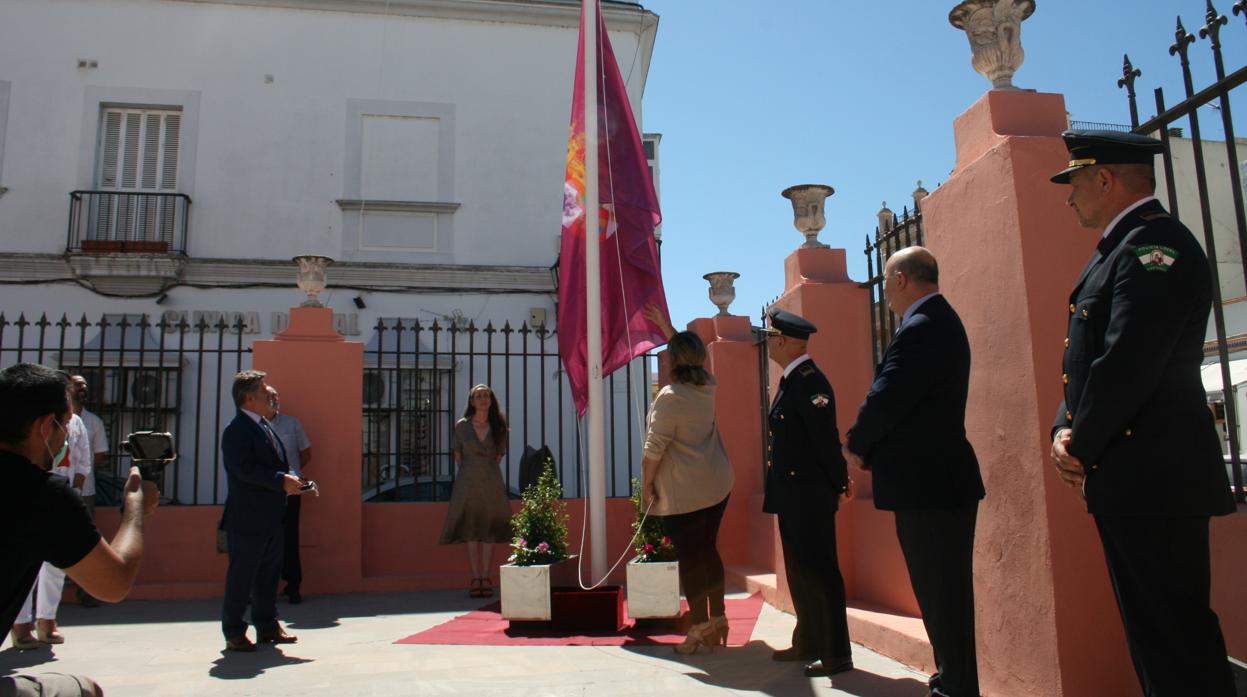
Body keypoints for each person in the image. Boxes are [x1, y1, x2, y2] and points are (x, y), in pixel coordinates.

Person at [1048, 130, 1236, 697]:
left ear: (1104, 179)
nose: (1068, 198)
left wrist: (1079, 444)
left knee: (1176, 640)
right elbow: (1082, 361)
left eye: (1075, 183)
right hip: (1133, 475)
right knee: (1155, 639)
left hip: (1156, 476)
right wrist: (1063, 424)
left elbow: (1128, 360)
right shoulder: (1121, 247)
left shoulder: (1156, 248)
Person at [842, 246, 984, 697]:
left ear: (902, 279)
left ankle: (957, 687)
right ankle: (951, 678)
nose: (885, 294)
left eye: (886, 283)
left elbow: (888, 396)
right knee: (940, 591)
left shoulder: (922, 327)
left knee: (943, 593)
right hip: (935, 483)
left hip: (931, 486)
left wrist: (857, 444)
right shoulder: (934, 321)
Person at [1, 363, 158, 696]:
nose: (67, 439)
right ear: (45, 426)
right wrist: (135, 510)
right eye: (66, 426)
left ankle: (42, 622)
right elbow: (114, 583)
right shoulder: (43, 495)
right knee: (85, 690)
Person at [762, 309, 855, 679]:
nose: (767, 341)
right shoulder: (790, 380)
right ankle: (808, 641)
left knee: (819, 572)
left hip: (809, 492)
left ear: (783, 340)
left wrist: (839, 482)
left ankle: (835, 654)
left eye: (770, 336)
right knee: (800, 572)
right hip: (792, 492)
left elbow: (824, 440)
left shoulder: (809, 381)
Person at [638, 315, 734, 655]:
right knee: (708, 551)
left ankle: (698, 627)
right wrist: (670, 332)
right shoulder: (707, 386)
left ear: (673, 360)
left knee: (691, 558)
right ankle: (718, 619)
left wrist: (646, 487)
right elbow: (691, 355)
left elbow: (653, 449)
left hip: (685, 491)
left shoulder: (670, 396)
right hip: (716, 483)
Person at [220, 370, 303, 652]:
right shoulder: (236, 430)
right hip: (248, 517)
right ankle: (233, 631)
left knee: (268, 575)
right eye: (264, 390)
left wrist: (291, 479)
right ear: (248, 398)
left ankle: (267, 625)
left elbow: (278, 463)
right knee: (242, 576)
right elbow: (243, 470)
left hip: (271, 516)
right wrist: (280, 481)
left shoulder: (265, 426)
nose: (271, 395)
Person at [10, 394, 92, 650]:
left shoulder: (77, 423)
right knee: (25, 564)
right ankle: (21, 625)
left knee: (55, 568)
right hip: (33, 494)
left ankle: (47, 620)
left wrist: (76, 490)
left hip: (62, 494)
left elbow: (82, 459)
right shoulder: (32, 422)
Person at [438, 384, 512, 598]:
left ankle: (486, 575)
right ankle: (476, 576)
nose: (483, 399)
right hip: (467, 479)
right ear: (471, 401)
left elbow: (499, 454)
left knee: (489, 527)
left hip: (491, 478)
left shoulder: (498, 426)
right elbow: (458, 454)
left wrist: (483, 466)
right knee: (470, 526)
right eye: (478, 396)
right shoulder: (462, 426)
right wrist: (471, 469)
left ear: (491, 400)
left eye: (486, 395)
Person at [264, 386, 312, 604]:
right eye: (270, 397)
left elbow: (306, 453)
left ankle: (293, 585)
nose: (274, 400)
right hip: (264, 490)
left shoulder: (292, 424)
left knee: (290, 537)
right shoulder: (255, 426)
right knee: (263, 539)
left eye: (276, 396)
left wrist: (290, 473)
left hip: (291, 489)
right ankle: (261, 587)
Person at [69, 375, 107, 608]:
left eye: (85, 385)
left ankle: (86, 591)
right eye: (78, 385)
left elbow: (99, 455)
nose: (83, 389)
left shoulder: (92, 422)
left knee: (86, 540)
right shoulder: (54, 417)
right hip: (57, 486)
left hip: (85, 490)